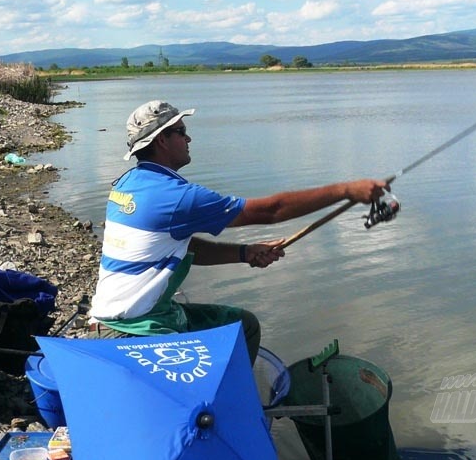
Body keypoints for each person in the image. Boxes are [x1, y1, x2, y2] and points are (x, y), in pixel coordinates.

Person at [86, 100, 388, 363]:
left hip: (108, 320)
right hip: (132, 332)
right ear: (162, 141)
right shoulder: (175, 197)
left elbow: (181, 245)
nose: (189, 138)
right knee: (240, 333)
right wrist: (347, 190)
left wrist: (243, 253)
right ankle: (226, 409)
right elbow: (270, 210)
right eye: (181, 132)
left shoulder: (128, 185)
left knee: (243, 324)